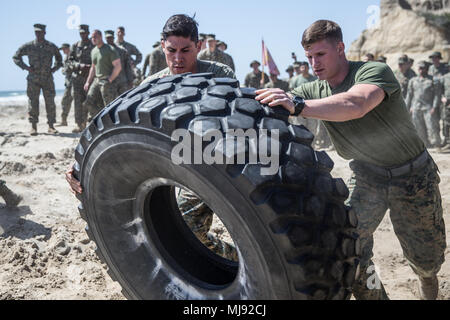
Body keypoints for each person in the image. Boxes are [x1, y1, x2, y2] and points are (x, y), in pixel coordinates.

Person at [255, 19, 446, 300]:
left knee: (427, 261)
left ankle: (428, 287)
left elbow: (356, 104)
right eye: (309, 57)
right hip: (367, 178)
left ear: (341, 48)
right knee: (349, 253)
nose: (314, 63)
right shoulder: (312, 89)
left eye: (320, 54)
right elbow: (280, 102)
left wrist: (299, 106)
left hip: (413, 176)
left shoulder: (372, 71)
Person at [69, 14, 237, 261]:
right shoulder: (152, 85)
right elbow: (116, 122)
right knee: (161, 230)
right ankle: (231, 258)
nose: (178, 59)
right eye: (171, 50)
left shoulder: (217, 74)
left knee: (187, 230)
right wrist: (78, 163)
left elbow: (227, 119)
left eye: (186, 50)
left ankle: (234, 261)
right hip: (169, 164)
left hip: (210, 159)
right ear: (162, 47)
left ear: (198, 47)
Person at [13, 24, 63, 136]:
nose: (38, 34)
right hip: (33, 79)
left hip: (47, 79)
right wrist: (26, 67)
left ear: (45, 33)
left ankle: (51, 126)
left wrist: (53, 69)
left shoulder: (51, 46)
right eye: (36, 32)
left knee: (50, 102)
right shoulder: (29, 46)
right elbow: (16, 57)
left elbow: (60, 60)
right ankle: (33, 127)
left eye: (40, 32)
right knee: (33, 102)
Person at [83, 30, 122, 121]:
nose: (93, 39)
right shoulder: (94, 51)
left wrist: (110, 79)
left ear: (100, 37)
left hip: (107, 81)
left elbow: (118, 66)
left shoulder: (109, 50)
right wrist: (88, 82)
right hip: (97, 80)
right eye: (92, 37)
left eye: (95, 37)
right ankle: (100, 119)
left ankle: (111, 123)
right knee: (88, 102)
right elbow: (93, 68)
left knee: (109, 105)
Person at [405, 61, 442, 149]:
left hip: (428, 107)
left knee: (432, 127)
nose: (421, 70)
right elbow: (409, 96)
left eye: (423, 68)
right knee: (418, 128)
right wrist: (408, 107)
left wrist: (434, 107)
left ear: (426, 69)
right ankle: (425, 144)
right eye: (419, 68)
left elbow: (437, 95)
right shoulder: (413, 81)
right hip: (416, 107)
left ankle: (437, 144)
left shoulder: (433, 80)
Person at [68, 24, 94, 133]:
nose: (83, 35)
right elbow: (69, 62)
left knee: (90, 101)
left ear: (88, 33)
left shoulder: (93, 45)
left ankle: (90, 123)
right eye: (81, 33)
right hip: (77, 78)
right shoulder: (75, 46)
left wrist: (90, 67)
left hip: (90, 78)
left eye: (84, 33)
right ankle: (79, 124)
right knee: (77, 102)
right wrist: (79, 66)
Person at [105, 30, 134, 95]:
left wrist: (130, 80)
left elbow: (128, 67)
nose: (109, 40)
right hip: (109, 82)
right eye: (107, 38)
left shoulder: (121, 50)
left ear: (113, 38)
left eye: (111, 38)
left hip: (122, 82)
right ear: (105, 39)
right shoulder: (102, 51)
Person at [59, 43, 73, 126]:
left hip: (75, 83)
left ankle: (82, 122)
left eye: (64, 49)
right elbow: (64, 70)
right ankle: (64, 120)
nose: (63, 51)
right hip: (68, 83)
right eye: (62, 49)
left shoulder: (73, 56)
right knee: (65, 101)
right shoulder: (65, 58)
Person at [440, 72, 450, 151]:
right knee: (446, 123)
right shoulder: (444, 77)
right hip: (446, 104)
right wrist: (442, 97)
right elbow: (440, 90)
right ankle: (447, 142)